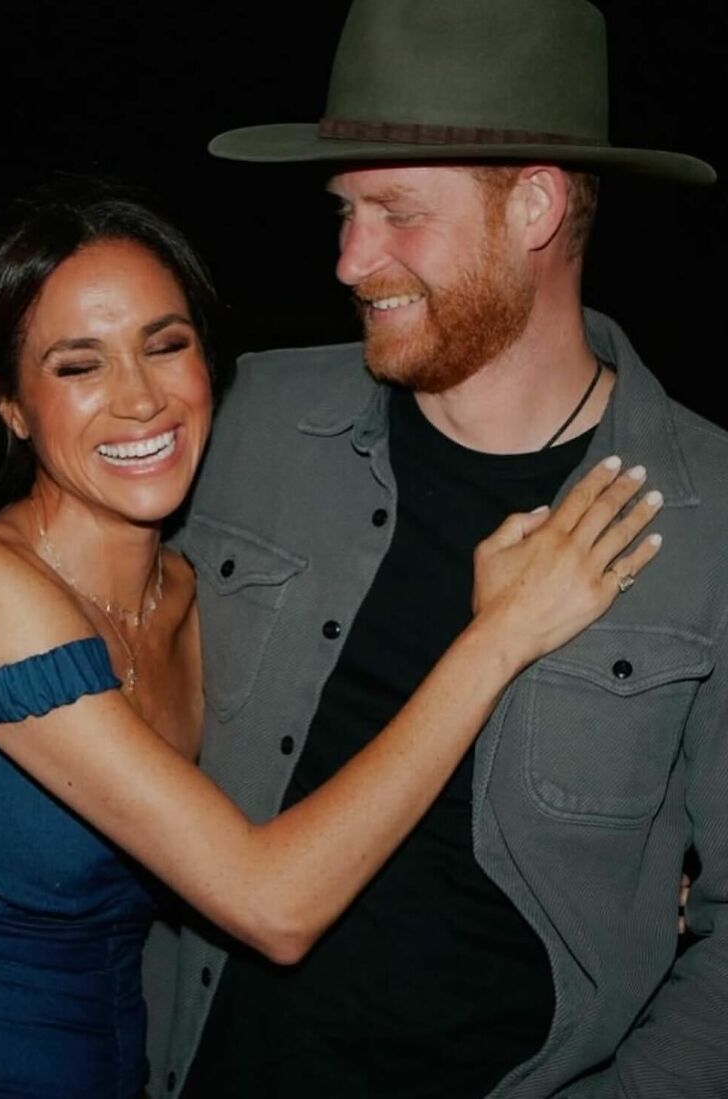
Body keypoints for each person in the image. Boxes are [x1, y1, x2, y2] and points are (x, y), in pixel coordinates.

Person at [0, 188, 659, 1099]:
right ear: (12, 407)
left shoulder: (194, 599)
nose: (141, 398)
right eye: (79, 367)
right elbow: (272, 905)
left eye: (167, 344)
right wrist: (500, 634)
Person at [137, 2, 727, 1098]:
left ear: (536, 206)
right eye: (345, 212)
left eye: (395, 212)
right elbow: (72, 589)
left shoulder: (713, 523)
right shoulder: (250, 416)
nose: (351, 260)